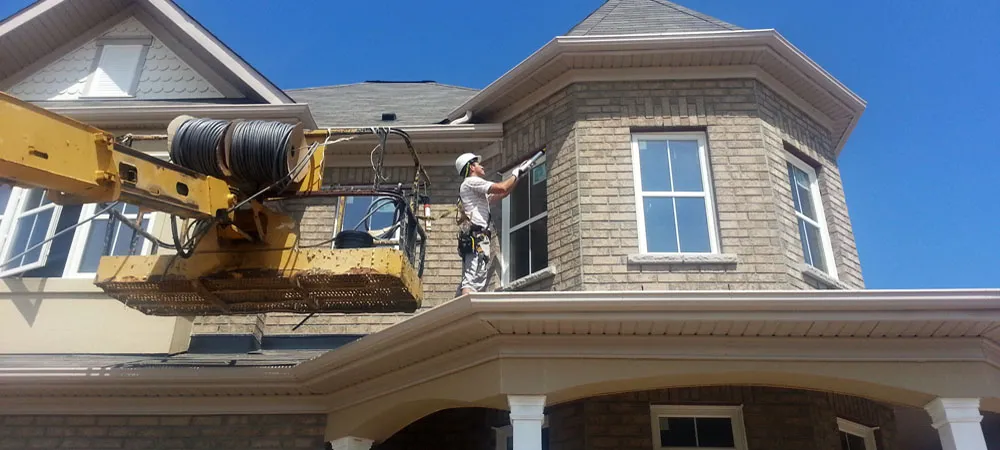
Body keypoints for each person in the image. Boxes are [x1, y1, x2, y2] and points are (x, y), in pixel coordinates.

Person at [454, 153, 532, 296]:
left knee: (477, 275)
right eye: (478, 164)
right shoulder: (472, 182)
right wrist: (515, 174)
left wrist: (517, 178)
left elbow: (502, 193)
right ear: (471, 167)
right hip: (476, 236)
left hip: (478, 237)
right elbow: (502, 188)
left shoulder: (474, 190)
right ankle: (466, 302)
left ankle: (469, 301)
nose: (482, 166)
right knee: (471, 278)